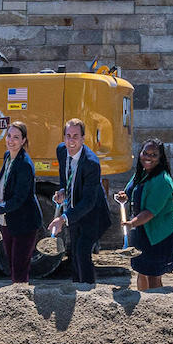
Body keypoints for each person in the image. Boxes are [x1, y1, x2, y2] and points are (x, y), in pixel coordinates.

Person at [47, 118, 111, 284]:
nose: (71, 140)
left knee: (82, 251)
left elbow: (89, 202)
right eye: (68, 136)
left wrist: (63, 218)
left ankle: (88, 293)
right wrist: (62, 191)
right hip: (74, 211)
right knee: (74, 252)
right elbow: (65, 177)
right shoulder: (61, 150)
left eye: (76, 136)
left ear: (83, 138)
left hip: (93, 214)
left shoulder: (91, 163)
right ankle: (77, 289)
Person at [0, 121, 41, 284]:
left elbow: (19, 198)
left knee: (20, 268)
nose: (11, 140)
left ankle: (21, 301)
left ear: (23, 141)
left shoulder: (25, 164)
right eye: (9, 136)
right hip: (8, 221)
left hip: (24, 222)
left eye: (16, 137)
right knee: (12, 265)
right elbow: (8, 181)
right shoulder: (8, 156)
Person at [118, 138, 173, 290]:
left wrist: (131, 223)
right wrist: (123, 197)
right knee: (141, 270)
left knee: (153, 274)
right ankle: (144, 307)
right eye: (146, 153)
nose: (148, 158)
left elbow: (150, 212)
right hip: (142, 231)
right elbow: (129, 192)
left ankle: (155, 306)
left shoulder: (163, 181)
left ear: (160, 158)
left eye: (154, 155)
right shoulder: (142, 173)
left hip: (159, 234)